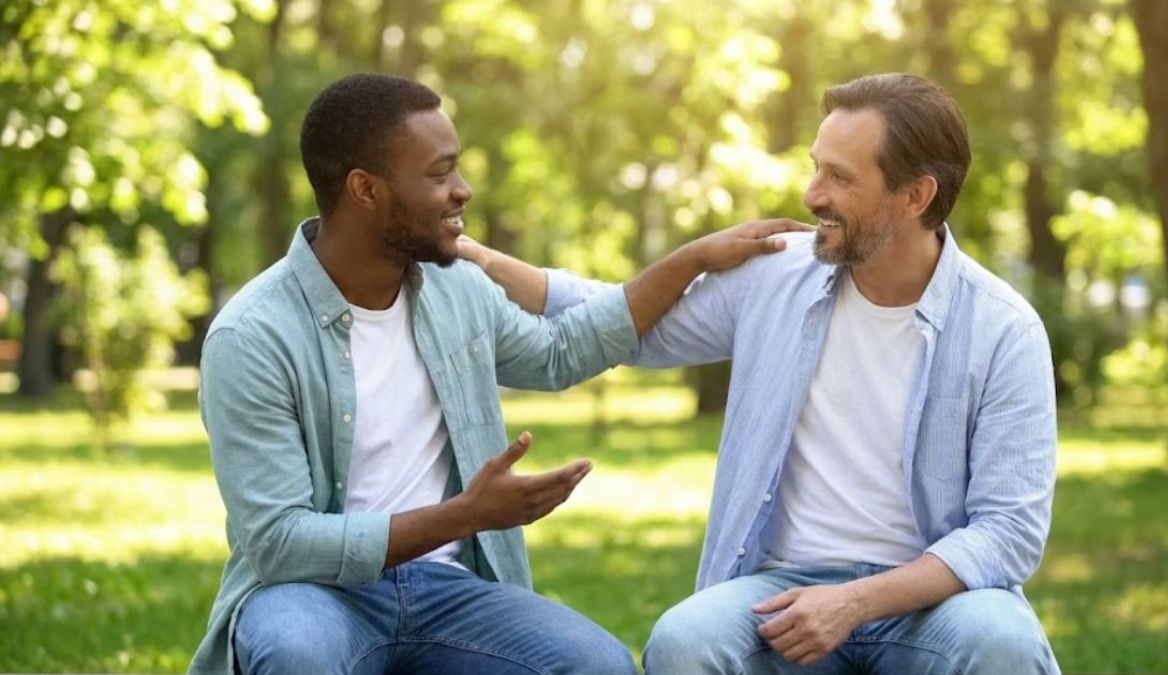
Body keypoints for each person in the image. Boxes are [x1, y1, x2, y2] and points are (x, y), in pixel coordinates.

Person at [189, 73, 804, 675]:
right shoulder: (254, 337)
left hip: (448, 589)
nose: (463, 190)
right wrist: (467, 514)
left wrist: (689, 260)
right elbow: (280, 544)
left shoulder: (457, 290)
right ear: (365, 189)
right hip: (312, 593)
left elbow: (562, 350)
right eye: (439, 173)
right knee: (297, 654)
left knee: (599, 664)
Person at [460, 73, 1061, 674]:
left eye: (840, 177)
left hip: (933, 603)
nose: (811, 195)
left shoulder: (1003, 329)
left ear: (915, 196)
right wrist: (481, 259)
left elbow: (1007, 531)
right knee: (686, 639)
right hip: (779, 592)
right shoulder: (776, 277)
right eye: (815, 167)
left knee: (1002, 642)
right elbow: (624, 322)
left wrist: (853, 602)